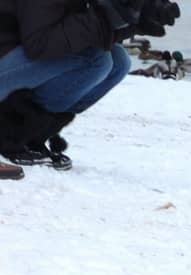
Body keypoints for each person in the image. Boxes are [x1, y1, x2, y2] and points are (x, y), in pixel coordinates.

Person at [0, 0, 180, 172]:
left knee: (118, 61)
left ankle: (29, 135)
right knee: (96, 59)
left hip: (17, 53)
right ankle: (9, 134)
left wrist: (135, 19)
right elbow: (40, 43)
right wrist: (106, 18)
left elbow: (83, 29)